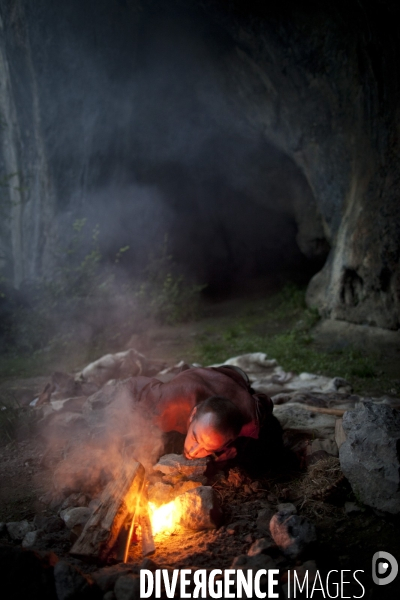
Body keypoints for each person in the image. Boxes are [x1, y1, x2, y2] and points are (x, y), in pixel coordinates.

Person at [127, 364, 283, 474]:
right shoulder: (166, 404)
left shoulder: (251, 419)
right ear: (193, 414)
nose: (194, 451)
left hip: (234, 390)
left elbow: (271, 433)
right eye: (195, 437)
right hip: (203, 382)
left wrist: (235, 451)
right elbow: (131, 390)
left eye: (206, 449)